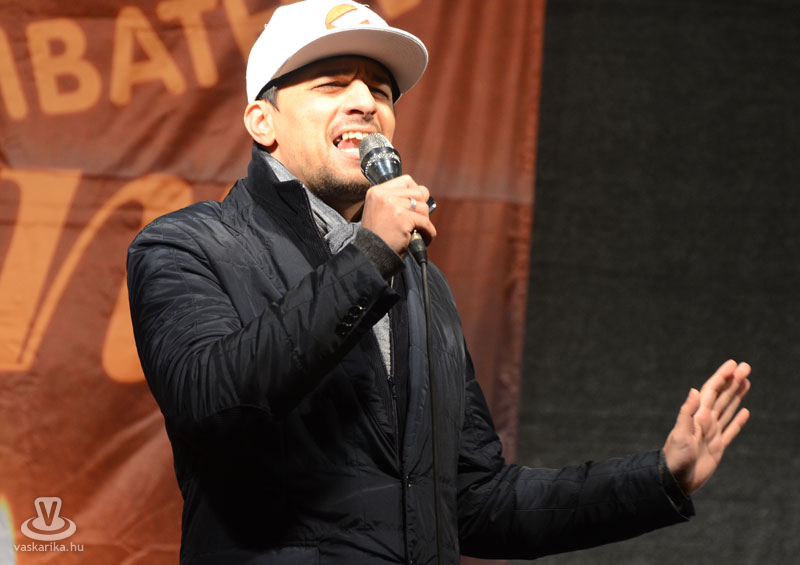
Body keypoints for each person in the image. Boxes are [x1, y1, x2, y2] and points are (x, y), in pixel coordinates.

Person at [126, 1, 752, 563]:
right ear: (262, 122)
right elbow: (214, 402)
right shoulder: (186, 245)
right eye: (332, 84)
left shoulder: (418, 282)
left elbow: (476, 501)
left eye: (381, 90)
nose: (366, 103)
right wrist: (370, 255)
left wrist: (659, 478)